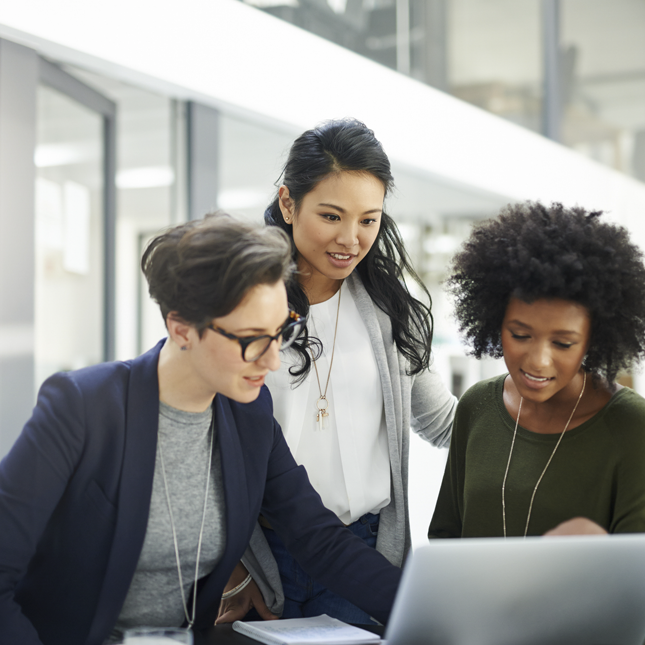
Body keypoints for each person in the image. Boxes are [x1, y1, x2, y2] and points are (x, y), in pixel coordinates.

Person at [0, 213, 402, 645]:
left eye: (279, 333)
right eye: (251, 340)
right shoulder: (83, 406)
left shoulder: (248, 414)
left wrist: (428, 607)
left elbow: (318, 539)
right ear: (182, 329)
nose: (270, 361)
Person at [218, 119, 457, 624]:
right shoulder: (242, 306)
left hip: (365, 552)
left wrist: (546, 407)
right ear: (288, 203)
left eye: (369, 220)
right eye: (331, 215)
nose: (351, 239)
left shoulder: (392, 311)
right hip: (264, 556)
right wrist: (236, 566)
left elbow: (443, 422)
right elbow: (207, 443)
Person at [428, 202, 645, 540]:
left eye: (563, 343)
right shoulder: (477, 406)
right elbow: (445, 535)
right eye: (520, 335)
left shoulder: (631, 425)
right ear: (495, 321)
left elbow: (633, 572)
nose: (538, 361)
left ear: (594, 339)